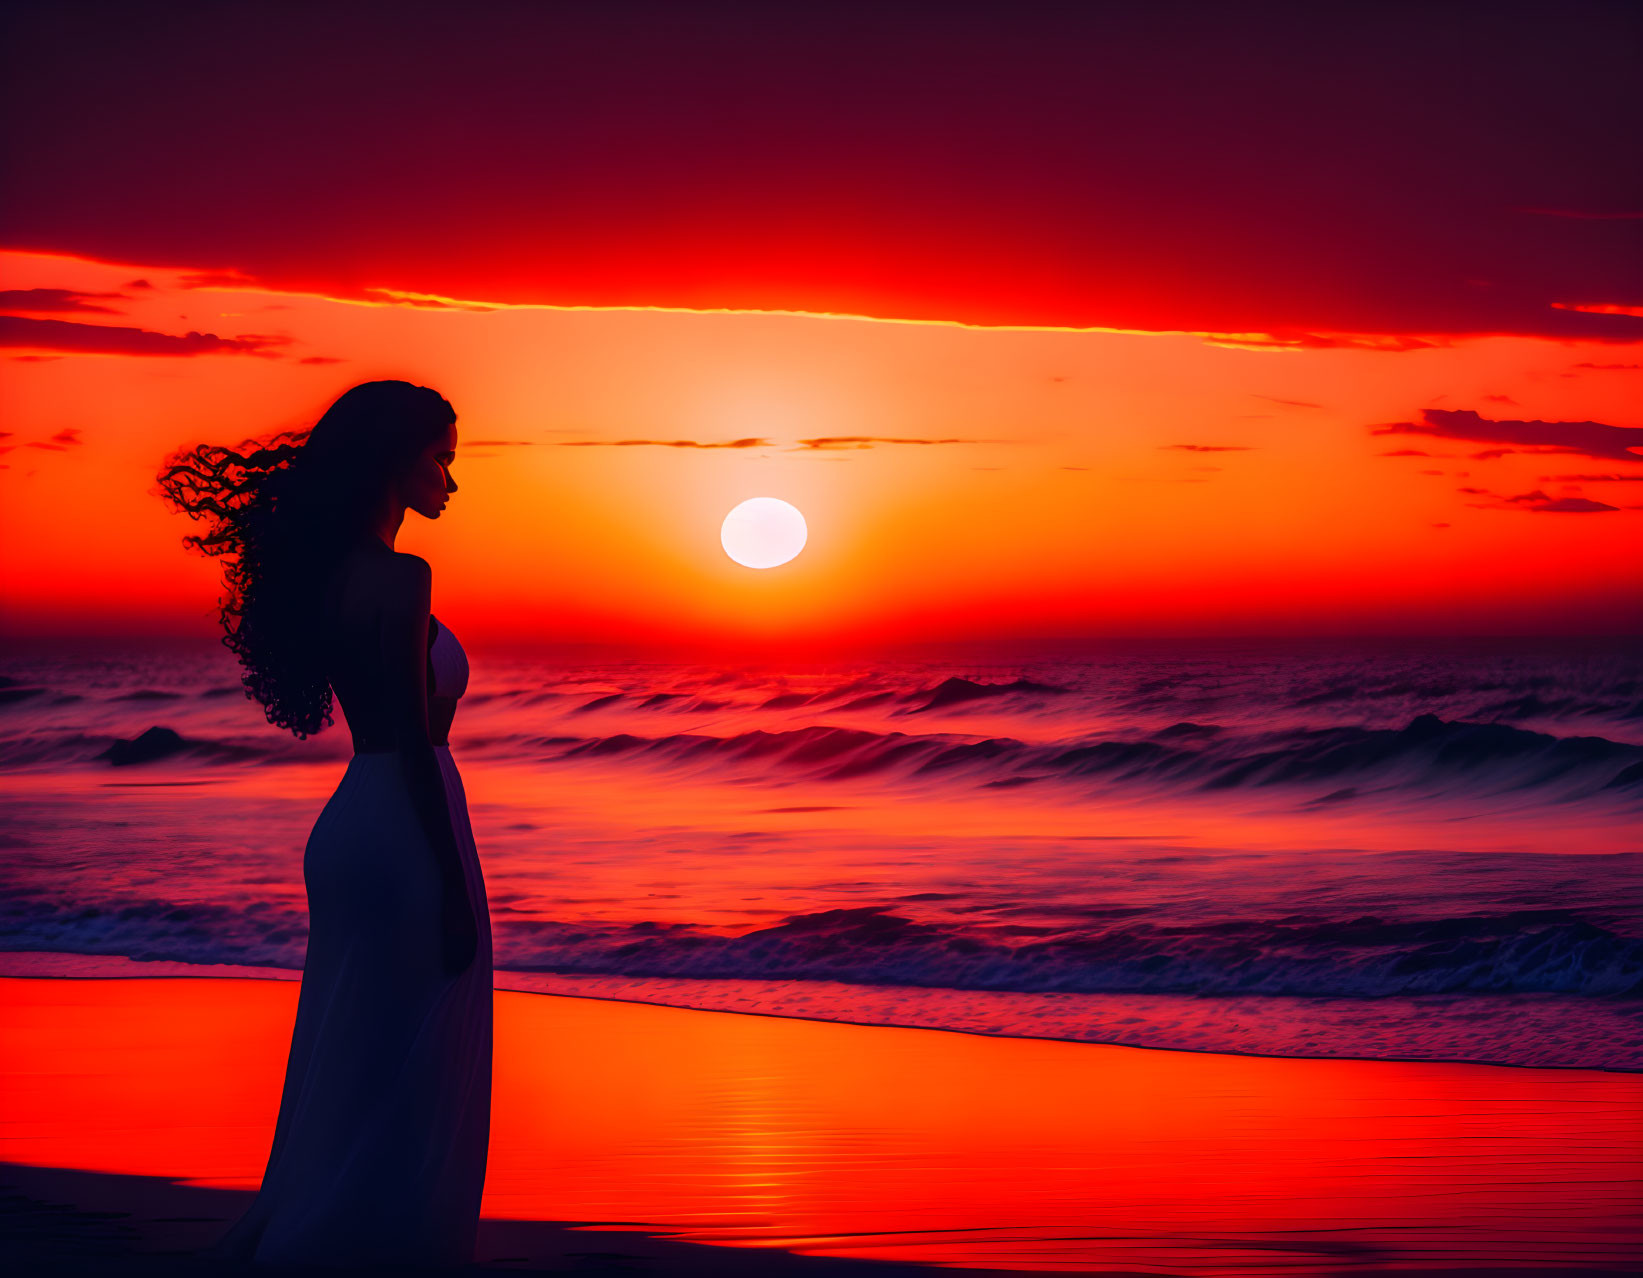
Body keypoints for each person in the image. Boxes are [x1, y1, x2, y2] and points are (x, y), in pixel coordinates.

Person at [157, 380, 491, 1266]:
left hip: (354, 825)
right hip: (404, 823)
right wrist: (453, 885)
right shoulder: (399, 576)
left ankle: (340, 1226)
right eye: (440, 459)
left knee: (358, 1044)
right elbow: (414, 741)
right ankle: (382, 1243)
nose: (451, 483)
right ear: (395, 459)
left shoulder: (331, 574)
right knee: (407, 1053)